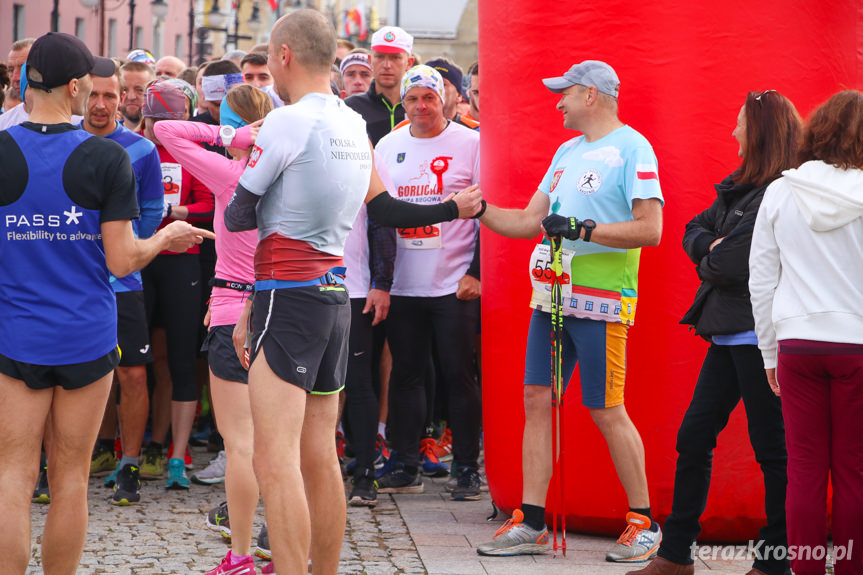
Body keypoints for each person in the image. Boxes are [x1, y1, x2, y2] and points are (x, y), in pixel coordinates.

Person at [222, 10, 482, 574]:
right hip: (333, 294)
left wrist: (253, 167)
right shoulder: (351, 122)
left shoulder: (287, 123)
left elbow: (240, 214)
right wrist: (450, 208)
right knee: (319, 453)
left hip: (286, 293)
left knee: (275, 458)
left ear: (285, 55)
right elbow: (383, 208)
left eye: (270, 57)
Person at [0, 32, 212, 575]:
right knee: (70, 477)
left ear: (26, 82)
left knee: (13, 475)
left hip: (14, 334)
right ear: (75, 87)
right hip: (86, 336)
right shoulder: (105, 156)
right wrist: (165, 239)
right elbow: (122, 262)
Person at [474, 60, 664, 561]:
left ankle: (644, 522)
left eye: (565, 93)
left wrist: (582, 231)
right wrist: (478, 210)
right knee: (536, 400)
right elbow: (528, 222)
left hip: (602, 304)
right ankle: (531, 521)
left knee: (605, 409)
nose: (558, 102)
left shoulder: (632, 148)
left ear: (592, 95)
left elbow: (652, 229)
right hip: (552, 299)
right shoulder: (565, 151)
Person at [628, 90, 801, 575]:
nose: (733, 132)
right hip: (727, 333)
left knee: (773, 450)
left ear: (761, 130)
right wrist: (713, 247)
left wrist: (712, 251)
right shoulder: (740, 187)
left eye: (741, 122)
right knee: (694, 436)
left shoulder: (776, 193)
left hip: (760, 336)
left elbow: (731, 264)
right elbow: (692, 229)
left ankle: (774, 562)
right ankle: (676, 554)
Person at [155, 83, 272, 575]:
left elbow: (166, 129)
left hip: (233, 312)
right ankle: (285, 547)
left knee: (240, 443)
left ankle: (241, 555)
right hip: (285, 305)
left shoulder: (231, 173)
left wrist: (231, 133)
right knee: (283, 443)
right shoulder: (287, 174)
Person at [749, 89, 863, 575]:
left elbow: (761, 277)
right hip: (857, 345)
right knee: (855, 470)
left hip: (797, 344)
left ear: (817, 129)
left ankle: (806, 570)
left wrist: (769, 353)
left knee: (805, 469)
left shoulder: (781, 191)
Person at [373, 64, 483, 500]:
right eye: (414, 98)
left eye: (430, 98)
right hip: (404, 283)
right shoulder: (388, 143)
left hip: (454, 283)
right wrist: (383, 278)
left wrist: (476, 271)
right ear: (403, 102)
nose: (422, 107)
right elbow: (380, 216)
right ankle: (405, 462)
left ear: (447, 100)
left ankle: (468, 469)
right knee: (406, 375)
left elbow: (487, 214)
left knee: (459, 376)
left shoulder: (472, 144)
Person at [80, 64, 165, 505]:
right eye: (93, 95)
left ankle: (128, 463)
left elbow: (152, 212)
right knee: (64, 376)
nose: (100, 105)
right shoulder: (63, 141)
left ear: (122, 100)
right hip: (72, 281)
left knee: (131, 374)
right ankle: (49, 466)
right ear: (78, 94)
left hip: (122, 281)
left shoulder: (141, 149)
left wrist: (125, 248)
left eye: (110, 97)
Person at [139, 78, 215, 487]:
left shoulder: (191, 152)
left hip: (182, 261)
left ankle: (176, 455)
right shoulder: (132, 147)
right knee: (139, 362)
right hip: (139, 259)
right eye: (156, 119)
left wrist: (175, 209)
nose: (162, 127)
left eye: (173, 119)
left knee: (184, 360)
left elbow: (209, 202)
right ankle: (135, 448)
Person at [344, 25, 415, 146]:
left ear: (409, 63)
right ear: (370, 60)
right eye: (380, 57)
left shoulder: (419, 107)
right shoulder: (350, 107)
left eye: (395, 57)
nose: (386, 65)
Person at [424, 58, 478, 129]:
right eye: (428, 84)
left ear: (458, 95)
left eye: (442, 84)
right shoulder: (406, 128)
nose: (433, 88)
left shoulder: (476, 131)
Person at [118, 60, 156, 132]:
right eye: (124, 90)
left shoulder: (161, 138)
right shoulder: (106, 137)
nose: (131, 97)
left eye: (139, 90)